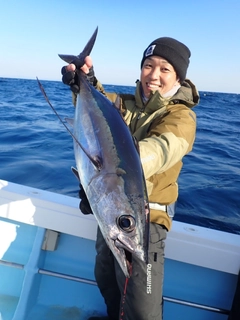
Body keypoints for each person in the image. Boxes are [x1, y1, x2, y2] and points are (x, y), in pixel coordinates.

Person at [61, 36, 200, 320]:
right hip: (111, 213)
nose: (154, 75)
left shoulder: (181, 117)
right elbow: (95, 107)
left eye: (165, 69)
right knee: (106, 278)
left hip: (144, 223)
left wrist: (114, 166)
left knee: (142, 307)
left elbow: (162, 149)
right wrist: (82, 81)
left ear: (178, 77)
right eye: (149, 65)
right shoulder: (121, 104)